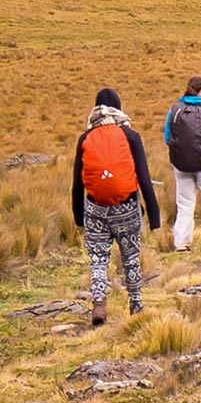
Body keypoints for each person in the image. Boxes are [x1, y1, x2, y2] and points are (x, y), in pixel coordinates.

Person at [71, 88, 161, 325]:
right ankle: (136, 304)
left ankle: (99, 304)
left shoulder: (85, 138)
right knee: (130, 257)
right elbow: (143, 178)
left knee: (99, 259)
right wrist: (154, 216)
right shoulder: (130, 135)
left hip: (95, 209)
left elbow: (77, 183)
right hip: (127, 208)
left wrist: (79, 218)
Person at [163, 74, 201, 252]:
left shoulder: (174, 111)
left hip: (181, 165)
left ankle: (181, 243)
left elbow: (168, 138)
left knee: (184, 205)